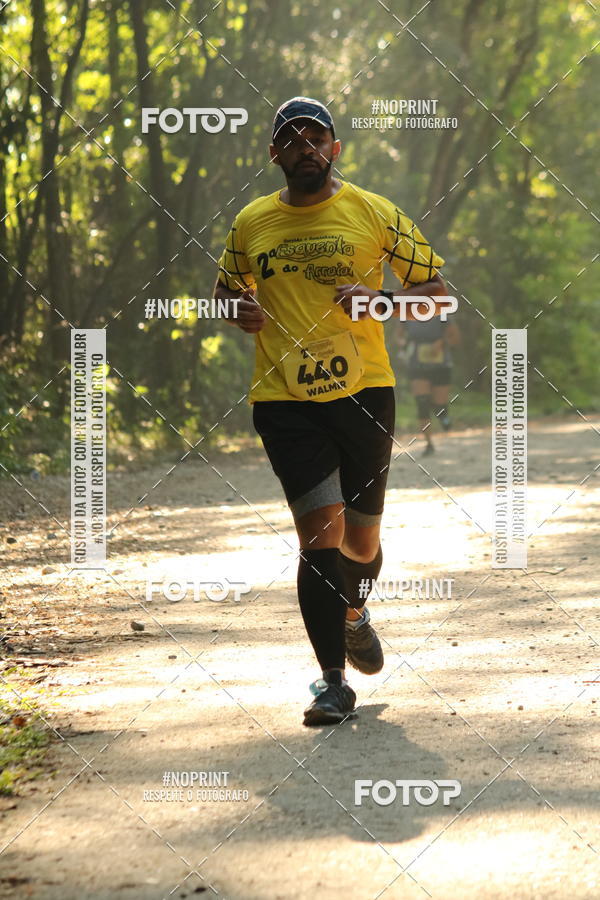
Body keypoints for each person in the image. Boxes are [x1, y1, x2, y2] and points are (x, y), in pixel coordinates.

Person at [214, 97, 447, 726]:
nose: (304, 148)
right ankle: (331, 683)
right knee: (319, 532)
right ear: (274, 155)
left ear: (335, 149)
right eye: (290, 140)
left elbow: (437, 299)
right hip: (284, 400)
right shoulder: (251, 223)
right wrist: (237, 311)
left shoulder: (375, 212)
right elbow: (225, 296)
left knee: (362, 542)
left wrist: (381, 302)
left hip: (365, 394)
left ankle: (354, 611)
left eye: (315, 139)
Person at [404, 317, 460, 456]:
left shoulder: (441, 312)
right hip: (417, 364)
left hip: (441, 365)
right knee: (422, 403)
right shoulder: (406, 312)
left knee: (439, 407)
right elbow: (398, 336)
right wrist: (404, 344)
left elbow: (455, 338)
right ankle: (429, 444)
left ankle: (444, 416)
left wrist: (442, 342)